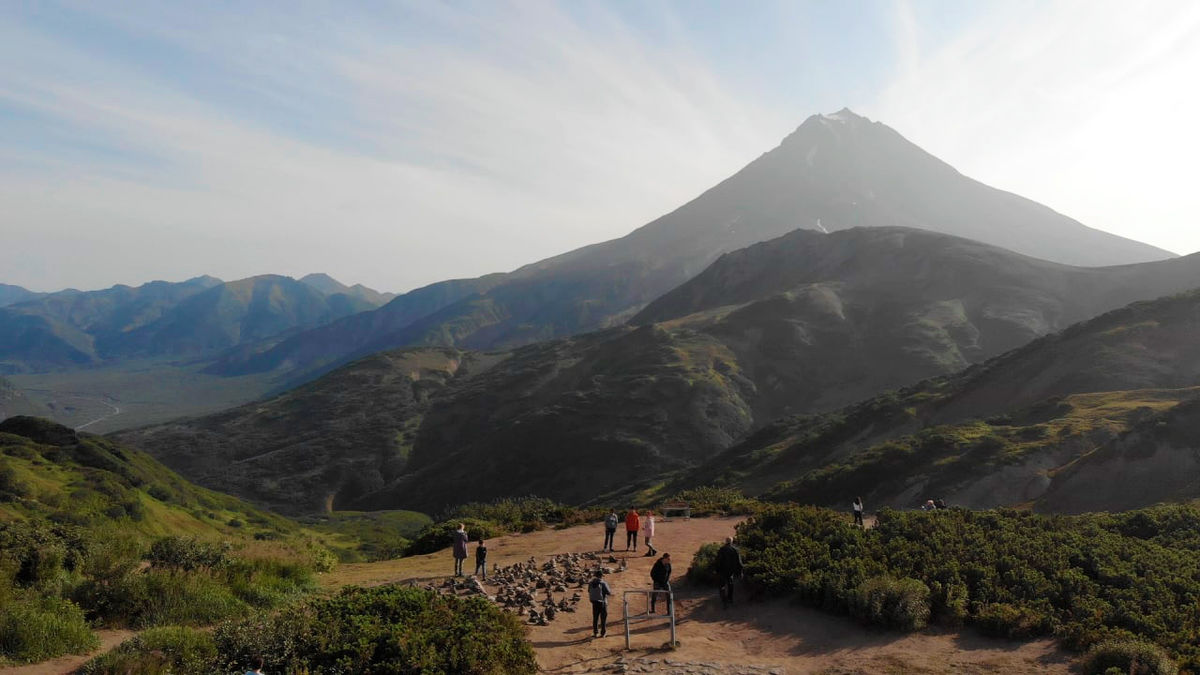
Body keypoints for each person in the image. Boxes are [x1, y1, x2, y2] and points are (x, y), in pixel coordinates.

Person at [715, 536, 744, 608]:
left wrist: (716, 570)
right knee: (730, 584)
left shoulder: (721, 549)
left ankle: (724, 600)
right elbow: (739, 562)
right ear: (731, 542)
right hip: (731, 570)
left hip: (722, 570)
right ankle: (730, 599)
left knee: (722, 585)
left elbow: (718, 561)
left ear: (726, 541)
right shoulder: (735, 550)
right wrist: (740, 571)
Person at [588, 569, 613, 638]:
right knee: (603, 618)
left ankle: (595, 633)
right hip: (603, 602)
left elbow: (589, 591)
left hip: (594, 602)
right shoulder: (603, 583)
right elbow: (608, 592)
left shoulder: (591, 583)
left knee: (595, 618)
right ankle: (603, 633)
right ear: (601, 576)